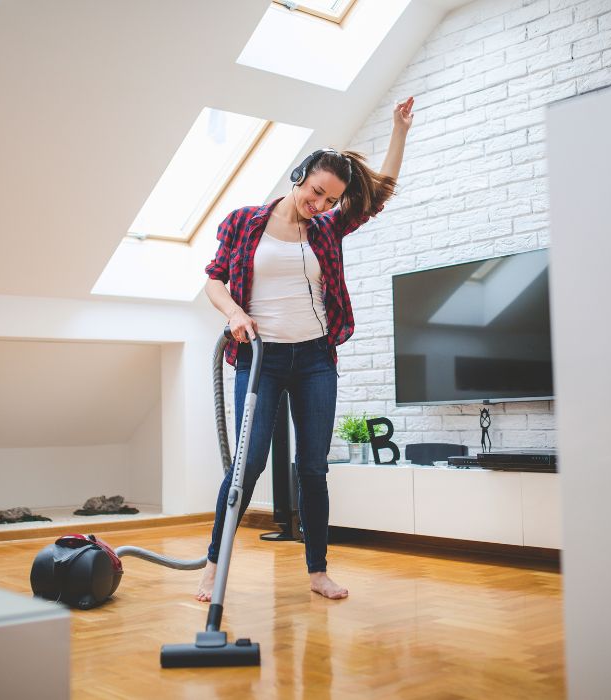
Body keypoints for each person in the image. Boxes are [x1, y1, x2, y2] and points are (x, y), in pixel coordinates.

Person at [198, 97, 415, 601]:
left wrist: (399, 131)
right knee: (248, 464)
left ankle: (317, 570)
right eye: (316, 192)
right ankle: (214, 564)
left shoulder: (327, 227)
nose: (318, 205)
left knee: (313, 467)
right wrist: (233, 312)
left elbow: (379, 193)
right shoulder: (244, 221)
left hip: (315, 359)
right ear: (300, 175)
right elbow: (214, 280)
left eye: (329, 201)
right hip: (260, 360)